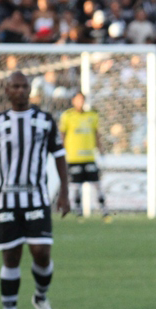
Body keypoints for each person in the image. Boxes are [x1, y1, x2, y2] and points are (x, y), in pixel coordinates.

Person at [0, 71, 70, 309]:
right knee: (11, 257)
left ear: (29, 91)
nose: (21, 90)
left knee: (41, 252)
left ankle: (40, 297)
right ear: (7, 90)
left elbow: (59, 156)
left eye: (25, 86)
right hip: (7, 200)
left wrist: (64, 193)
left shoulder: (45, 121)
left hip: (37, 197)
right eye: (15, 86)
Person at [59, 92, 110, 220]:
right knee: (76, 186)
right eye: (78, 100)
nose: (80, 102)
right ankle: (79, 212)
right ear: (73, 101)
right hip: (74, 157)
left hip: (89, 156)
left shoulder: (92, 115)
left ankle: (104, 211)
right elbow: (63, 134)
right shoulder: (67, 116)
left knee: (97, 184)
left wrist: (100, 148)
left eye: (82, 100)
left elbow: (96, 133)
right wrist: (62, 151)